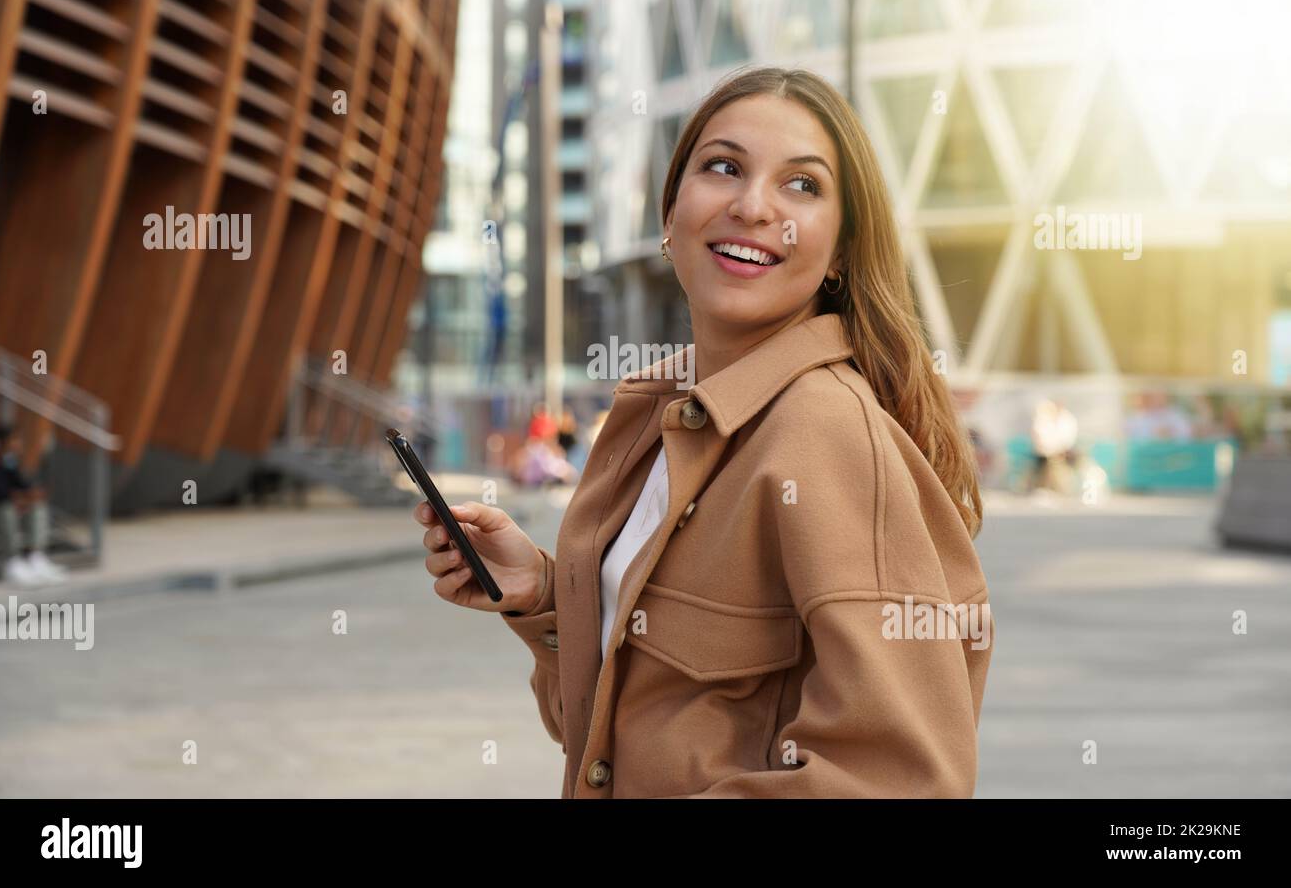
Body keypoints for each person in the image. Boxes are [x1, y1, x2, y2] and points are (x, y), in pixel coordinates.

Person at [411, 66, 992, 798]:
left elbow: (899, 780)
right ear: (670, 213)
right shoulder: (655, 423)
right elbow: (604, 736)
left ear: (841, 251)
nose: (754, 207)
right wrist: (543, 597)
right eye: (723, 167)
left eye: (802, 186)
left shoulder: (823, 430)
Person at [0, 424, 67, 587]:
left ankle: (35, 557)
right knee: (6, 509)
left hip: (10, 506)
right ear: (0, 442)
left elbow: (22, 485)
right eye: (14, 440)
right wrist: (18, 498)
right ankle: (11, 561)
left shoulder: (9, 462)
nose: (18, 444)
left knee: (36, 507)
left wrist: (32, 495)